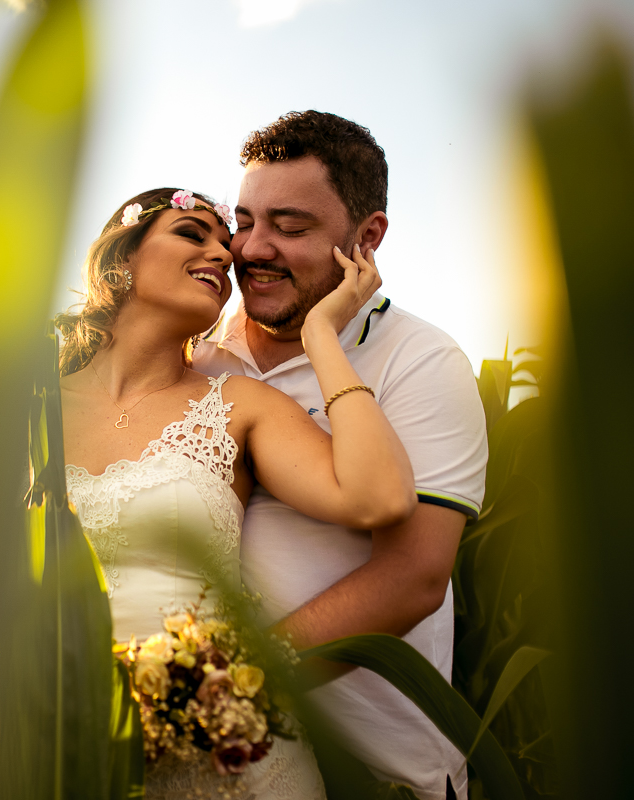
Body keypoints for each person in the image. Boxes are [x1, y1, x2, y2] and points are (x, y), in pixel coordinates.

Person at [56, 186, 416, 799]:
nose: (223, 256)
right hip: (48, 738)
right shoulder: (24, 405)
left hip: (220, 749)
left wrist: (322, 336)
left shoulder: (237, 405)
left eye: (226, 247)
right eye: (192, 234)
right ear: (121, 259)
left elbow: (377, 497)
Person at [193, 111, 488, 800]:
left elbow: (414, 575)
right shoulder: (198, 357)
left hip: (380, 774)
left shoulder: (420, 360)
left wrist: (237, 683)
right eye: (245, 221)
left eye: (290, 227)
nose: (252, 249)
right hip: (219, 768)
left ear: (368, 236)